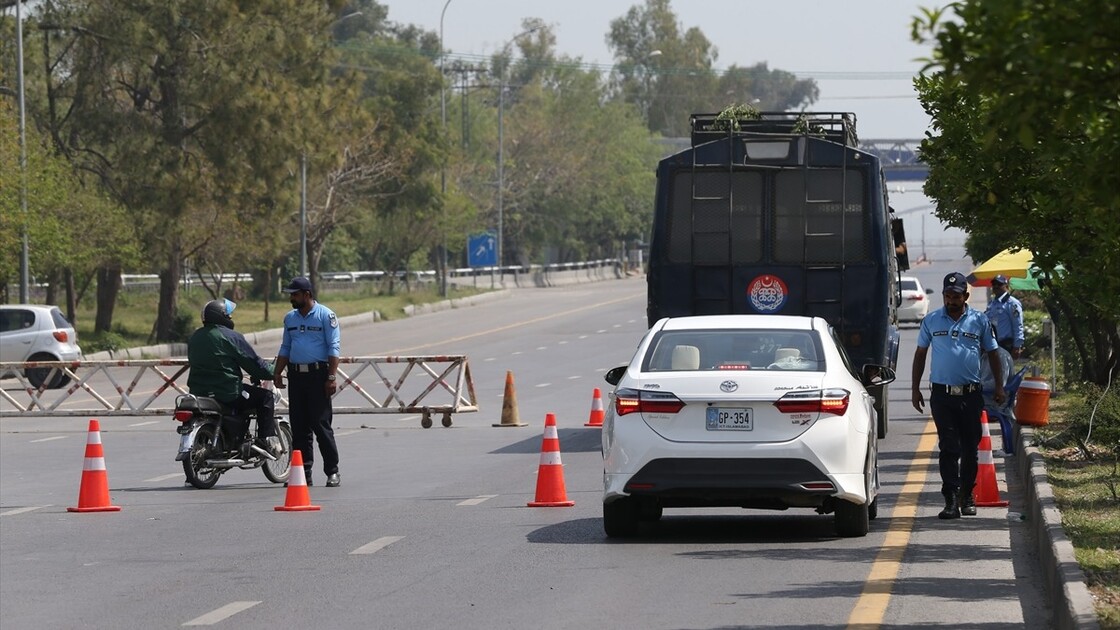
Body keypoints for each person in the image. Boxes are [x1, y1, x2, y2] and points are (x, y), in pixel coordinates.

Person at [912, 272, 1006, 520]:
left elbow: (993, 353)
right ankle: (950, 498)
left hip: (970, 395)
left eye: (956, 296)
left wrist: (999, 386)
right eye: (947, 295)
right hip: (942, 395)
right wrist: (915, 389)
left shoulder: (979, 321)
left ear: (965, 296)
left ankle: (967, 495)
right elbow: (920, 354)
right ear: (943, 295)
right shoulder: (931, 321)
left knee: (969, 448)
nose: (951, 300)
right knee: (948, 446)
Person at [186, 299, 281, 456]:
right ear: (222, 316)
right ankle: (264, 440)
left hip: (199, 392)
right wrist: (274, 371)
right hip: (227, 392)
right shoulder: (230, 336)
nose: (231, 318)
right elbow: (253, 363)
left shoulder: (195, 337)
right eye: (229, 315)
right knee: (265, 397)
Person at [273, 277, 342, 487]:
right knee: (300, 428)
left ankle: (332, 471)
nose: (291, 298)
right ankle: (304, 473)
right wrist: (277, 373)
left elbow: (333, 348)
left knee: (321, 426)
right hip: (296, 377)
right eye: (291, 294)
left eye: (295, 294)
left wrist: (331, 377)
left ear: (307, 294)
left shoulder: (325, 316)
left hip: (318, 376)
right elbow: (286, 347)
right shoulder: (290, 318)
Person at [986, 274, 1025, 359]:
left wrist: (1017, 346)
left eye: (999, 284)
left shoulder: (1012, 303)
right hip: (992, 344)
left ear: (1006, 286)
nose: (996, 286)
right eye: (994, 284)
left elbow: (1018, 325)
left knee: (1004, 371)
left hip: (1006, 345)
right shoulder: (992, 303)